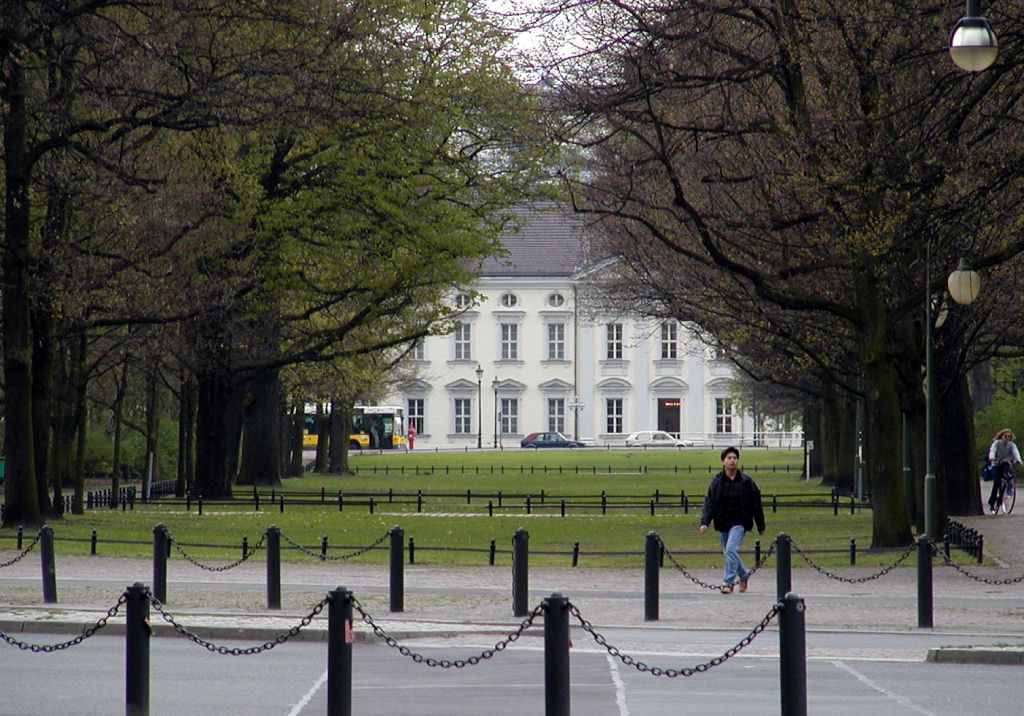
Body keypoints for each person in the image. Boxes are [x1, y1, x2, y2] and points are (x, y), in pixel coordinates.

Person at [699, 446, 766, 594]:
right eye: (729, 458)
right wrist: (705, 522)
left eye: (734, 458)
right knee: (728, 552)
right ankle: (743, 574)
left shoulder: (746, 482)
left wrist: (760, 525)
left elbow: (756, 504)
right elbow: (709, 502)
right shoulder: (717, 482)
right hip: (723, 521)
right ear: (723, 461)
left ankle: (728, 582)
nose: (732, 461)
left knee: (731, 549)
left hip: (739, 521)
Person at [987, 428, 1021, 514]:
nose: (1007, 438)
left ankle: (1005, 494)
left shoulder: (1011, 445)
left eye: (1009, 436)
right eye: (1005, 436)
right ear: (1001, 436)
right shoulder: (997, 443)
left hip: (1006, 464)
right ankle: (992, 502)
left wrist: (1018, 460)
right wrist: (992, 457)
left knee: (1008, 478)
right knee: (997, 482)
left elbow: (1015, 452)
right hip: (996, 464)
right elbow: (993, 450)